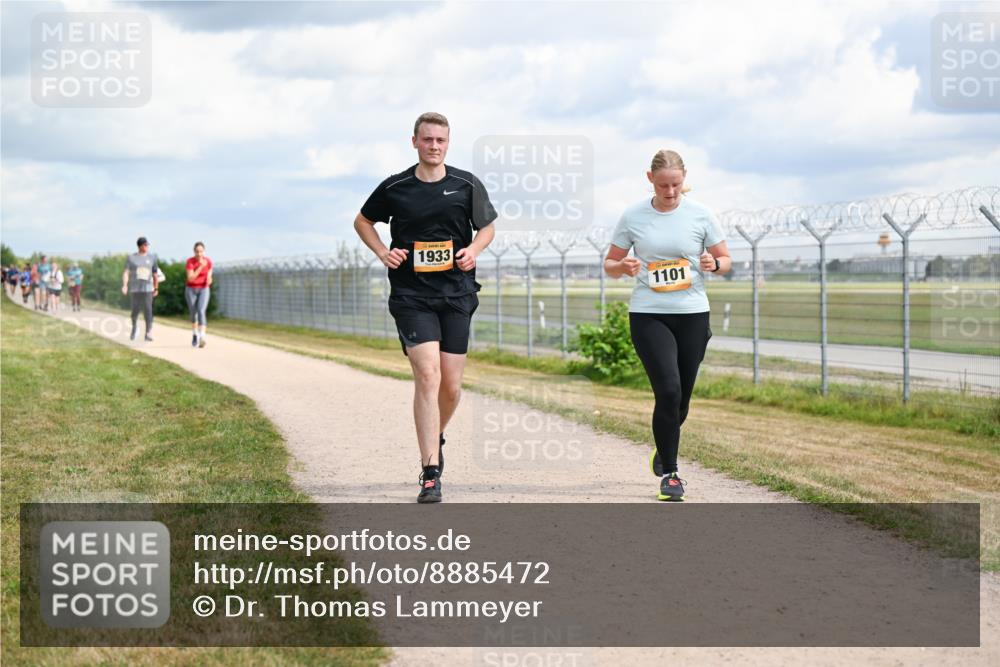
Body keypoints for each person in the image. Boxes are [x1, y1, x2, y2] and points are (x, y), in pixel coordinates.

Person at [354, 112, 497, 503]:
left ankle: (436, 434)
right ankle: (430, 472)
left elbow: (487, 227)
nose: (434, 146)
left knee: (451, 386)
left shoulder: (466, 184)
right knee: (428, 375)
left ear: (448, 144)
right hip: (411, 295)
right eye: (428, 139)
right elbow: (363, 221)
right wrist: (382, 252)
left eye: (441, 140)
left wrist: (474, 249)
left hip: (456, 294)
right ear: (414, 141)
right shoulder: (395, 186)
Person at [604, 149, 731, 502]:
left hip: (693, 313)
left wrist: (714, 264)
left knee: (682, 401)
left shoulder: (701, 214)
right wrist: (622, 267)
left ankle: (664, 447)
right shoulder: (633, 216)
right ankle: (671, 475)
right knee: (669, 391)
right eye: (663, 185)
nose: (670, 192)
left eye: (676, 184)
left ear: (684, 178)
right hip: (649, 314)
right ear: (650, 179)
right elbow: (610, 264)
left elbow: (725, 259)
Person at [121, 237, 159, 342]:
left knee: (148, 310)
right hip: (135, 289)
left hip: (148, 289)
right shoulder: (131, 258)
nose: (147, 247)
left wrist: (156, 287)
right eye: (145, 245)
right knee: (135, 311)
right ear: (140, 246)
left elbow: (155, 274)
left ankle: (148, 333)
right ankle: (134, 328)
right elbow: (126, 272)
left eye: (147, 245)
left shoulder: (152, 258)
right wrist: (125, 285)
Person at [185, 242, 213, 348]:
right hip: (191, 289)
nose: (199, 254)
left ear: (204, 251)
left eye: (201, 251)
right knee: (193, 313)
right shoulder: (190, 262)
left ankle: (202, 337)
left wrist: (209, 279)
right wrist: (201, 266)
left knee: (201, 311)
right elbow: (190, 278)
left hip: (204, 289)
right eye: (197, 251)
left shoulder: (208, 261)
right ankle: (195, 334)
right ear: (194, 251)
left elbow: (210, 274)